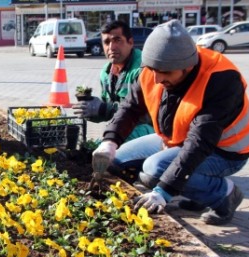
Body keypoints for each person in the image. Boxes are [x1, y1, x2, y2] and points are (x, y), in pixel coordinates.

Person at [91, 19, 249, 225]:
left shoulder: (221, 80)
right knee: (117, 160)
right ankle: (198, 195)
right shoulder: (153, 69)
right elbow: (129, 108)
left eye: (165, 72)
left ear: (187, 67)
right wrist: (110, 141)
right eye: (153, 70)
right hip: (177, 140)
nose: (156, 79)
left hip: (224, 152)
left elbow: (199, 142)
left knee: (155, 172)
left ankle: (224, 194)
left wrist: (163, 191)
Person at [73, 20, 153, 142]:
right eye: (106, 42)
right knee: (91, 148)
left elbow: (146, 115)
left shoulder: (143, 69)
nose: (111, 47)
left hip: (151, 131)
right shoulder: (106, 73)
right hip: (123, 128)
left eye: (117, 40)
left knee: (106, 147)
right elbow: (108, 112)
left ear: (130, 42)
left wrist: (104, 109)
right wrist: (91, 110)